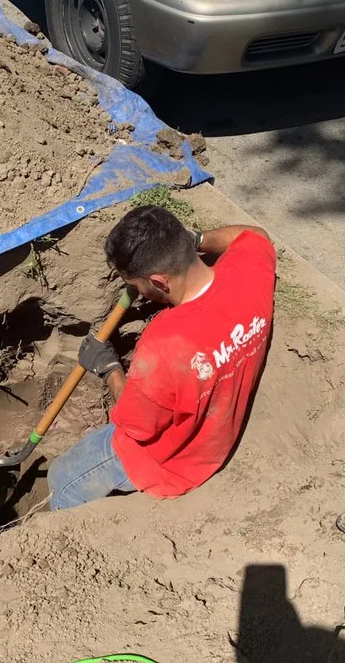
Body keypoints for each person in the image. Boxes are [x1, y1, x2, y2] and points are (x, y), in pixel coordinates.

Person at [47, 205, 277, 510]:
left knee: (62, 479)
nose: (134, 290)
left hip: (171, 463)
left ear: (158, 281)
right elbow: (255, 234)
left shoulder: (165, 344)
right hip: (213, 442)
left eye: (135, 283)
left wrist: (109, 367)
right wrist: (194, 239)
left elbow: (138, 426)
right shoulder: (249, 270)